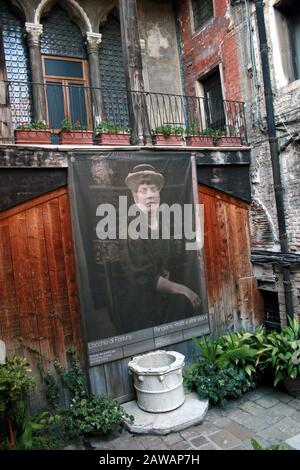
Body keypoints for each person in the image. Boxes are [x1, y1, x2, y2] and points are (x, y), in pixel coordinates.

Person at [121, 163, 201, 331]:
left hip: (162, 297)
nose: (150, 196)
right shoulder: (132, 229)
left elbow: (164, 264)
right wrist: (183, 289)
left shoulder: (162, 225)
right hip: (141, 305)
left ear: (159, 195)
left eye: (153, 189)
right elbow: (144, 279)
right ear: (135, 197)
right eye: (143, 190)